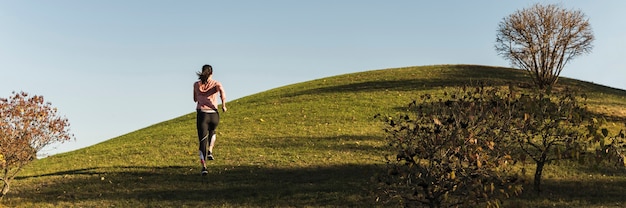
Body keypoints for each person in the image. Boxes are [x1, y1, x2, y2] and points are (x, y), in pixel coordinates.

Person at [193, 64, 227, 175]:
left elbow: (194, 99)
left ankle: (204, 167)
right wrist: (223, 105)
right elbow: (222, 91)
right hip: (214, 114)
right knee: (212, 131)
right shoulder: (216, 83)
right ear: (211, 73)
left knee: (202, 140)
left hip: (202, 114)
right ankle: (210, 150)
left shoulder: (196, 84)